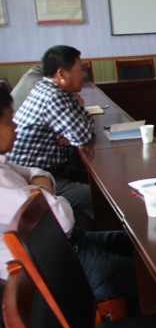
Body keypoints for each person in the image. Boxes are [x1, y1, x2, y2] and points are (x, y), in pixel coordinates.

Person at [0, 86, 139, 315]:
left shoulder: (2, 163)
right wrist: (43, 191)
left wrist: (39, 192)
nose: (15, 126)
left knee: (137, 245)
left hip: (64, 245)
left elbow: (38, 173)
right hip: (52, 269)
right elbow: (63, 218)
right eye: (8, 121)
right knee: (145, 274)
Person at [7, 45, 95, 223]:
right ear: (62, 74)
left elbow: (85, 118)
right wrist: (76, 130)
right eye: (80, 69)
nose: (84, 75)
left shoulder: (55, 89)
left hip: (53, 169)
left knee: (102, 183)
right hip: (37, 177)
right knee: (96, 197)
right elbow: (83, 136)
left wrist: (76, 130)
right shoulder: (52, 96)